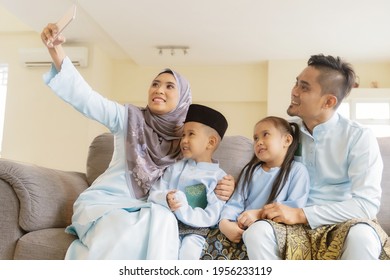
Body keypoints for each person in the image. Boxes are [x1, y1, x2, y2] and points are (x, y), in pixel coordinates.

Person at [40, 23, 235, 259]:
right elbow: (87, 99)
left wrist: (227, 185)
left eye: (169, 86)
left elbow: (201, 175)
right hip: (106, 203)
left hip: (148, 209)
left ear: (183, 99)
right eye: (155, 84)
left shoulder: (184, 143)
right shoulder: (128, 119)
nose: (159, 90)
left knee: (163, 221)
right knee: (129, 227)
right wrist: (56, 51)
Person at [243, 54, 390, 260]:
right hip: (289, 223)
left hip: (343, 222)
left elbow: (366, 204)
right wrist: (232, 186)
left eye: (304, 87)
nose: (294, 91)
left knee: (363, 237)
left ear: (328, 101)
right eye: (296, 83)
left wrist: (302, 214)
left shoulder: (358, 137)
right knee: (258, 233)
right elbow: (259, 172)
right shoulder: (284, 134)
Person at [148, 104, 229, 259]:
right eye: (183, 135)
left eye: (191, 134)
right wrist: (165, 198)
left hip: (196, 232)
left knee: (189, 255)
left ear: (210, 142)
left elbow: (212, 215)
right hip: (169, 226)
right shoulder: (175, 168)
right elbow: (154, 192)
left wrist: (182, 208)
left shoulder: (219, 178)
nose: (184, 140)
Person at [218, 116, 310, 248]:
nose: (259, 142)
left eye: (265, 135)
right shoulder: (250, 171)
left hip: (272, 231)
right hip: (244, 229)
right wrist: (225, 223)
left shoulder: (297, 171)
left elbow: (294, 208)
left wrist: (260, 215)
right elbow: (235, 203)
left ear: (287, 140)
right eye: (255, 138)